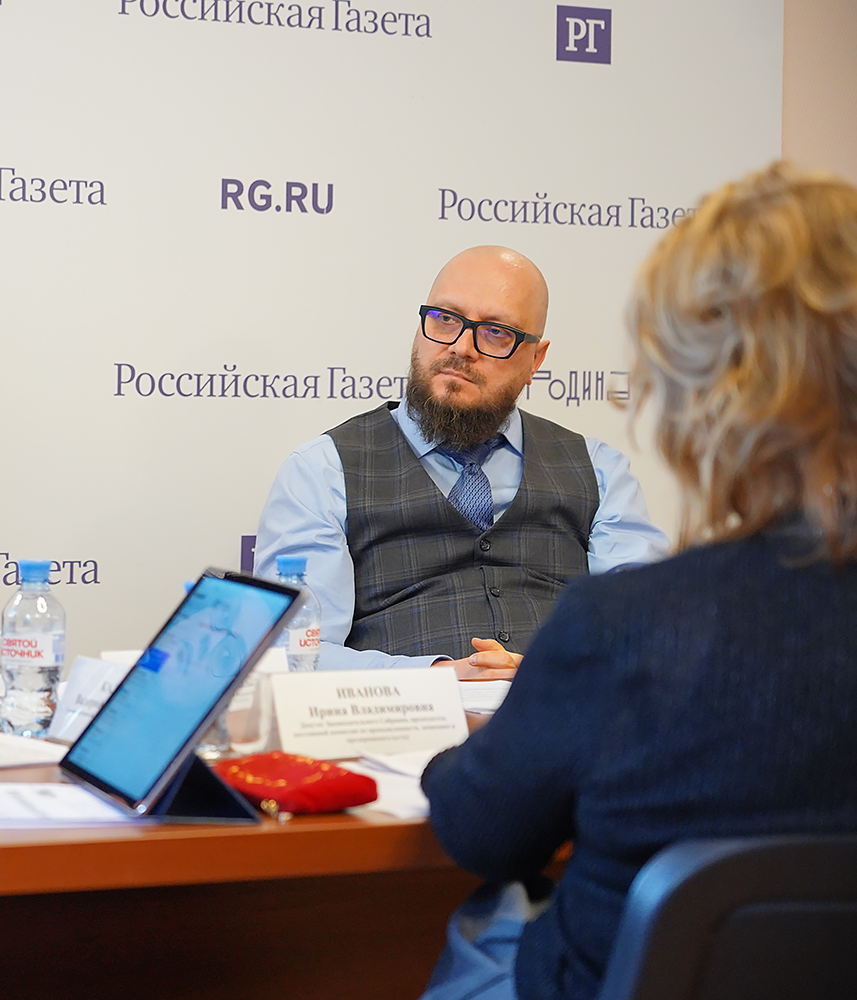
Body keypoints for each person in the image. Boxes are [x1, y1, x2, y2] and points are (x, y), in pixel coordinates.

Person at [417, 162, 857, 1000]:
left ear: (692, 389)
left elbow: (481, 833)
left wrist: (458, 756)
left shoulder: (628, 628)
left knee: (488, 917)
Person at [254, 245, 668, 676]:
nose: (461, 346)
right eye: (445, 319)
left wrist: (548, 674)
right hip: (400, 716)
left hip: (563, 709)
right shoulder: (323, 471)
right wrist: (436, 678)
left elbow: (652, 629)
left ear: (536, 360)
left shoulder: (599, 471)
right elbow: (295, 653)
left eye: (495, 332)